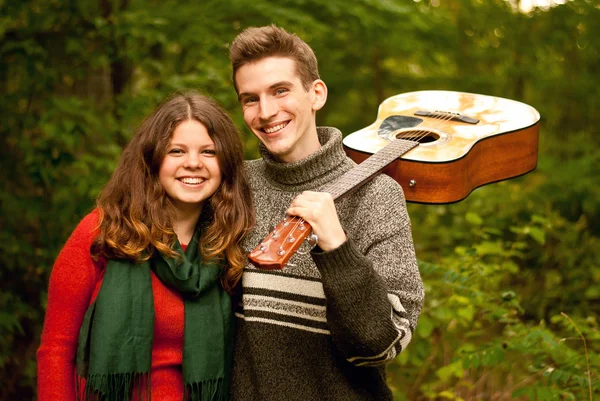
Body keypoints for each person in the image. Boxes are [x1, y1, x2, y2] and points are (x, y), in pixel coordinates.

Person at [228, 25, 425, 401]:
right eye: (250, 99)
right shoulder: (235, 186)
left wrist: (336, 248)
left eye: (280, 91)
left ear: (316, 93)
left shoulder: (377, 195)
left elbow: (379, 345)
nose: (266, 112)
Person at [36, 91, 254, 401]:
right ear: (153, 159)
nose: (193, 163)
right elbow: (56, 350)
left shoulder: (229, 247)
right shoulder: (102, 233)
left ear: (226, 164)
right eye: (176, 151)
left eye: (209, 152)